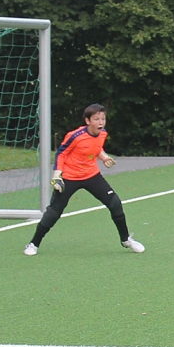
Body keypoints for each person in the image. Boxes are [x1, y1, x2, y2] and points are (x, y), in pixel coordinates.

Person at [23, 104, 144, 256]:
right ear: (87, 121)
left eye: (103, 119)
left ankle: (126, 240)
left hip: (92, 176)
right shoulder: (75, 136)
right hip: (70, 177)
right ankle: (33, 244)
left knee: (115, 203)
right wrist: (57, 176)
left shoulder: (102, 133)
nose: (101, 122)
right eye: (96, 119)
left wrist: (104, 157)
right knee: (54, 213)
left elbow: (96, 148)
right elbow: (61, 154)